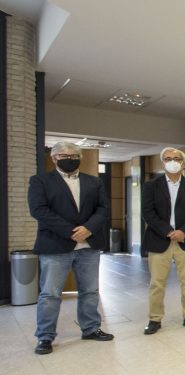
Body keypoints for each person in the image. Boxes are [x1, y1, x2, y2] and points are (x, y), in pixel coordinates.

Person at [28, 142, 113, 355]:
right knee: (50, 294)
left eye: (74, 155)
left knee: (90, 291)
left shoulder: (93, 182)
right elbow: (39, 210)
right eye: (64, 155)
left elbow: (103, 208)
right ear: (55, 158)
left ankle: (91, 328)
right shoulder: (40, 181)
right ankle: (45, 336)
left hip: (89, 246)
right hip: (56, 245)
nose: (69, 158)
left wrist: (88, 228)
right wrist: (71, 231)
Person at [141, 147, 185, 335]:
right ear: (163, 162)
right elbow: (148, 213)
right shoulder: (151, 186)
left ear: (182, 162)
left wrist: (184, 231)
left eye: (177, 158)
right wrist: (169, 231)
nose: (173, 161)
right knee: (157, 283)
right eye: (168, 158)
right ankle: (154, 319)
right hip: (159, 239)